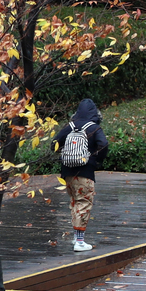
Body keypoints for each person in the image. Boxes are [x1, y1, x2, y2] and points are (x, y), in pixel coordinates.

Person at [52, 99, 110, 253]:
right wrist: (94, 159)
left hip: (67, 173)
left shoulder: (68, 127)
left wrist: (66, 156)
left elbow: (54, 144)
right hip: (85, 172)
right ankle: (79, 241)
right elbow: (103, 145)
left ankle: (76, 237)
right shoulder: (94, 128)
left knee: (75, 202)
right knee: (83, 203)